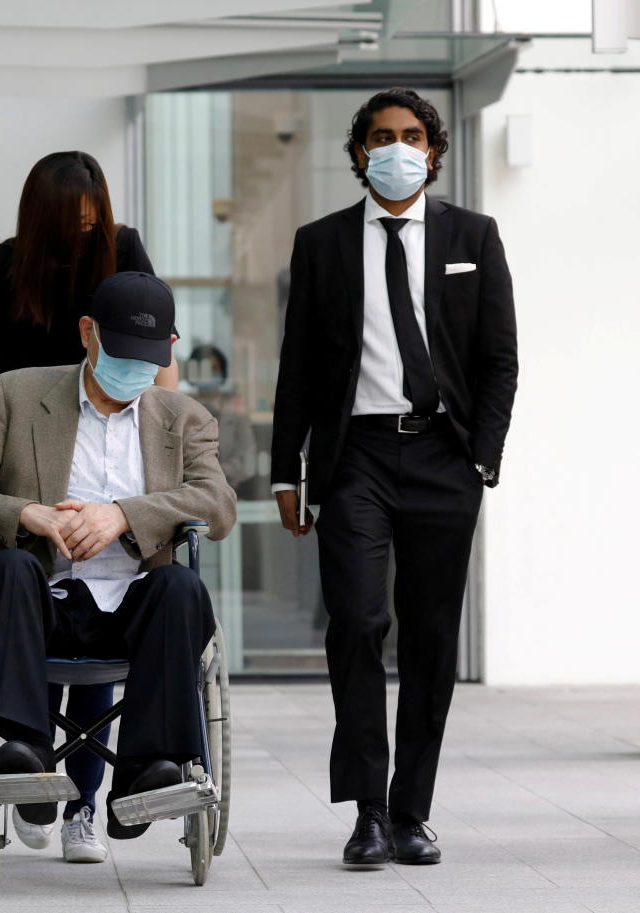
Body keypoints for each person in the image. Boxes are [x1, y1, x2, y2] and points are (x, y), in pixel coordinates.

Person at [271, 89, 517, 866]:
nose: (397, 148)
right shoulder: (321, 243)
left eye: (412, 136)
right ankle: (368, 812)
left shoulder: (474, 234)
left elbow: (499, 357)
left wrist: (483, 454)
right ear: (358, 154)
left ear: (435, 151)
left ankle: (413, 811)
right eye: (381, 137)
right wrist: (288, 471)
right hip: (358, 459)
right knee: (357, 621)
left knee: (433, 637)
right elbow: (300, 369)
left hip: (445, 456)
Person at [0, 271, 236, 848]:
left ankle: (145, 775)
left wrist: (124, 514)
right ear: (87, 333)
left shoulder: (184, 417)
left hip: (134, 611)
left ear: (170, 349)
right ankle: (24, 759)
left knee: (181, 588)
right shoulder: (15, 396)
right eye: (121, 353)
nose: (133, 371)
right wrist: (29, 514)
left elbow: (217, 505)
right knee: (12, 567)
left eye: (148, 358)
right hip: (41, 600)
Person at [0, 150, 176, 863]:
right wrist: (3, 474)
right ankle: (30, 769)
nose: (82, 239)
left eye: (92, 225)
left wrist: (147, 469)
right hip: (29, 468)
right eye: (69, 228)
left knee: (108, 599)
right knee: (33, 595)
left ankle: (84, 800)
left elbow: (157, 363)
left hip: (114, 462)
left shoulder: (124, 251)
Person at [184, 344, 257, 488]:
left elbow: (247, 463)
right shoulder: (181, 409)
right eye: (201, 369)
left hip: (231, 491)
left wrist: (211, 472)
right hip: (188, 492)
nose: (207, 374)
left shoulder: (238, 414)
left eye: (213, 369)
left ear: (223, 373)